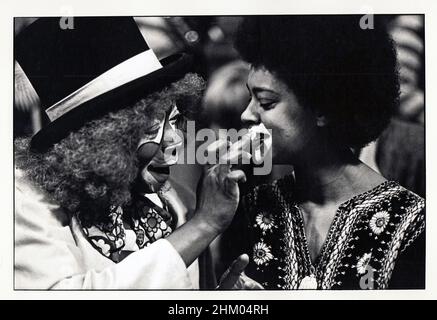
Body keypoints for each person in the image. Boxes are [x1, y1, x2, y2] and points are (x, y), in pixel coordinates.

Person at [14, 17, 248, 289]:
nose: (175, 141)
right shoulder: (23, 202)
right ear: (99, 141)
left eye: (174, 120)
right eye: (152, 127)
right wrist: (203, 225)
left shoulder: (173, 203)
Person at [222, 16, 425, 289]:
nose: (247, 114)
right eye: (250, 98)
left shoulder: (413, 226)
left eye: (266, 102)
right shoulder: (249, 209)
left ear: (323, 108)